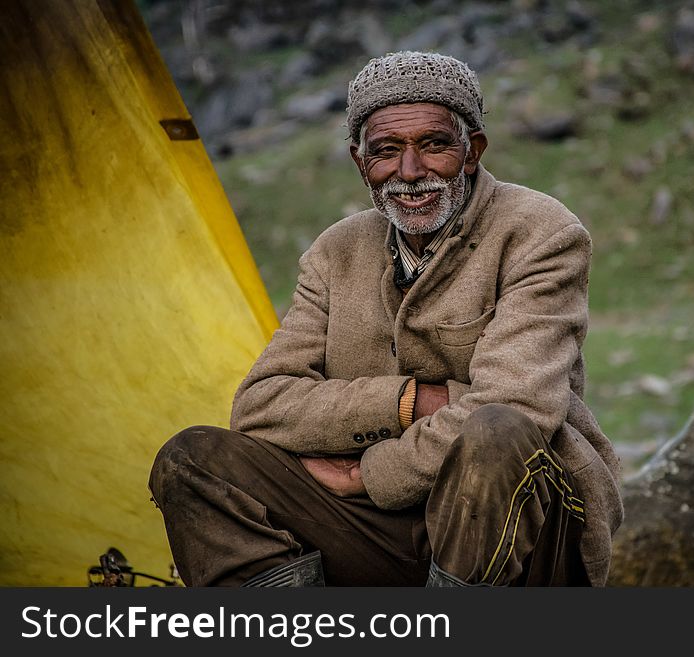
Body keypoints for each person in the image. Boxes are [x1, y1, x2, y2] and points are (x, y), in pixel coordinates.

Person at [149, 51, 623, 587]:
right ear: (360, 162)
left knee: (496, 433)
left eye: (435, 145)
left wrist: (371, 474)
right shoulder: (336, 251)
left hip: (521, 522)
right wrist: (410, 402)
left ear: (473, 152)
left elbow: (516, 405)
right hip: (375, 530)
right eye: (387, 151)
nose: (411, 172)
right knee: (194, 458)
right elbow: (261, 405)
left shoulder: (540, 233)